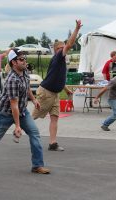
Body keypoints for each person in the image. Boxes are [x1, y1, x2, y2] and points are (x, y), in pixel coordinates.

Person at [32, 20, 82, 151]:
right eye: (61, 48)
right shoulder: (59, 56)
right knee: (33, 117)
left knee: (55, 118)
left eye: (63, 47)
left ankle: (52, 143)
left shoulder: (60, 62)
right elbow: (70, 44)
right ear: (56, 50)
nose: (64, 49)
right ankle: (17, 127)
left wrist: (67, 90)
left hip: (54, 94)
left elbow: (58, 78)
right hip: (46, 93)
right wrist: (76, 29)